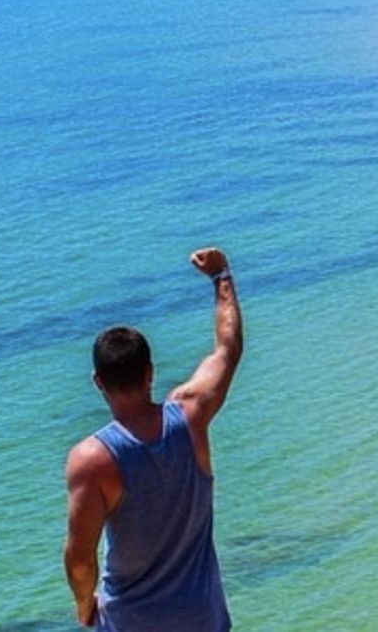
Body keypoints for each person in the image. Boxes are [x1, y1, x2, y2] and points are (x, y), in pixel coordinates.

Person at [64, 248, 243, 631]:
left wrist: (84, 605)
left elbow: (80, 557)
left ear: (98, 382)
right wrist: (221, 276)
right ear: (150, 372)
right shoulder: (191, 417)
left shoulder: (92, 459)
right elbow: (228, 350)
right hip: (203, 619)